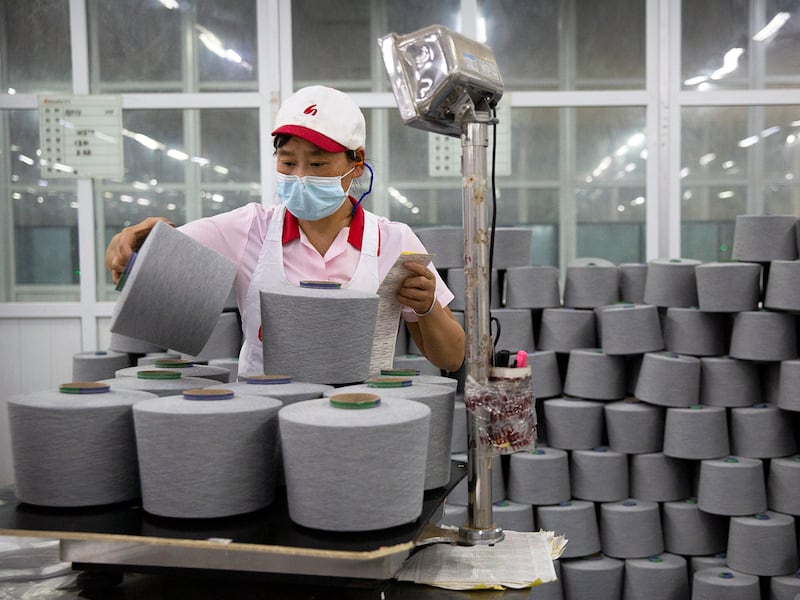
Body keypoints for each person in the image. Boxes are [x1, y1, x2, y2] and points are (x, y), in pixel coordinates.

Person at [105, 85, 465, 377]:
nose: (300, 177)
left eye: (319, 163)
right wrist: (132, 242)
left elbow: (451, 358)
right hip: (265, 420)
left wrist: (428, 306)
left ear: (357, 163)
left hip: (358, 420)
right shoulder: (247, 228)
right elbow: (154, 256)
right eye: (288, 162)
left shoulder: (393, 241)